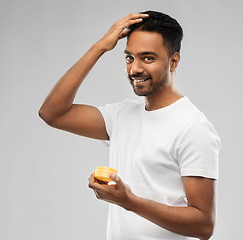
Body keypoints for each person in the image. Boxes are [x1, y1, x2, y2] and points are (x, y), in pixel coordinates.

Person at [39, 10, 220, 240]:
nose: (134, 69)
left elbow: (203, 225)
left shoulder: (193, 128)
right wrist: (99, 47)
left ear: (173, 61)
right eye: (129, 57)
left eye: (148, 58)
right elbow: (52, 113)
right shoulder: (122, 115)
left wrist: (128, 201)